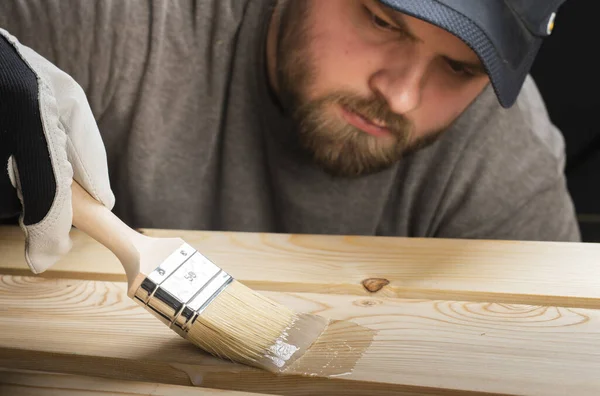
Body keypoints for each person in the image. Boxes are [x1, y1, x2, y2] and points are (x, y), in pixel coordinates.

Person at [0, 0, 580, 275]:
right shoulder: (117, 19)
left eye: (460, 69)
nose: (401, 95)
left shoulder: (507, 159)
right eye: (381, 23)